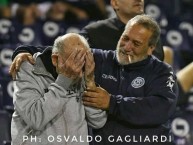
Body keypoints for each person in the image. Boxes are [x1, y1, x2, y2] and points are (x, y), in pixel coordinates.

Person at [10, 15, 178, 145]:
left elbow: (160, 109)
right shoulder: (100, 59)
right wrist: (23, 51)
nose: (127, 47)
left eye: (136, 43)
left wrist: (112, 103)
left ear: (150, 49)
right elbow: (60, 51)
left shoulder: (162, 72)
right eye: (125, 38)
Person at [11, 33, 107, 145]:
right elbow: (35, 119)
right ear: (55, 59)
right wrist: (64, 81)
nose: (78, 70)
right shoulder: (28, 69)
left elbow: (98, 121)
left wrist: (90, 82)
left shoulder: (82, 72)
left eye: (82, 60)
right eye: (75, 61)